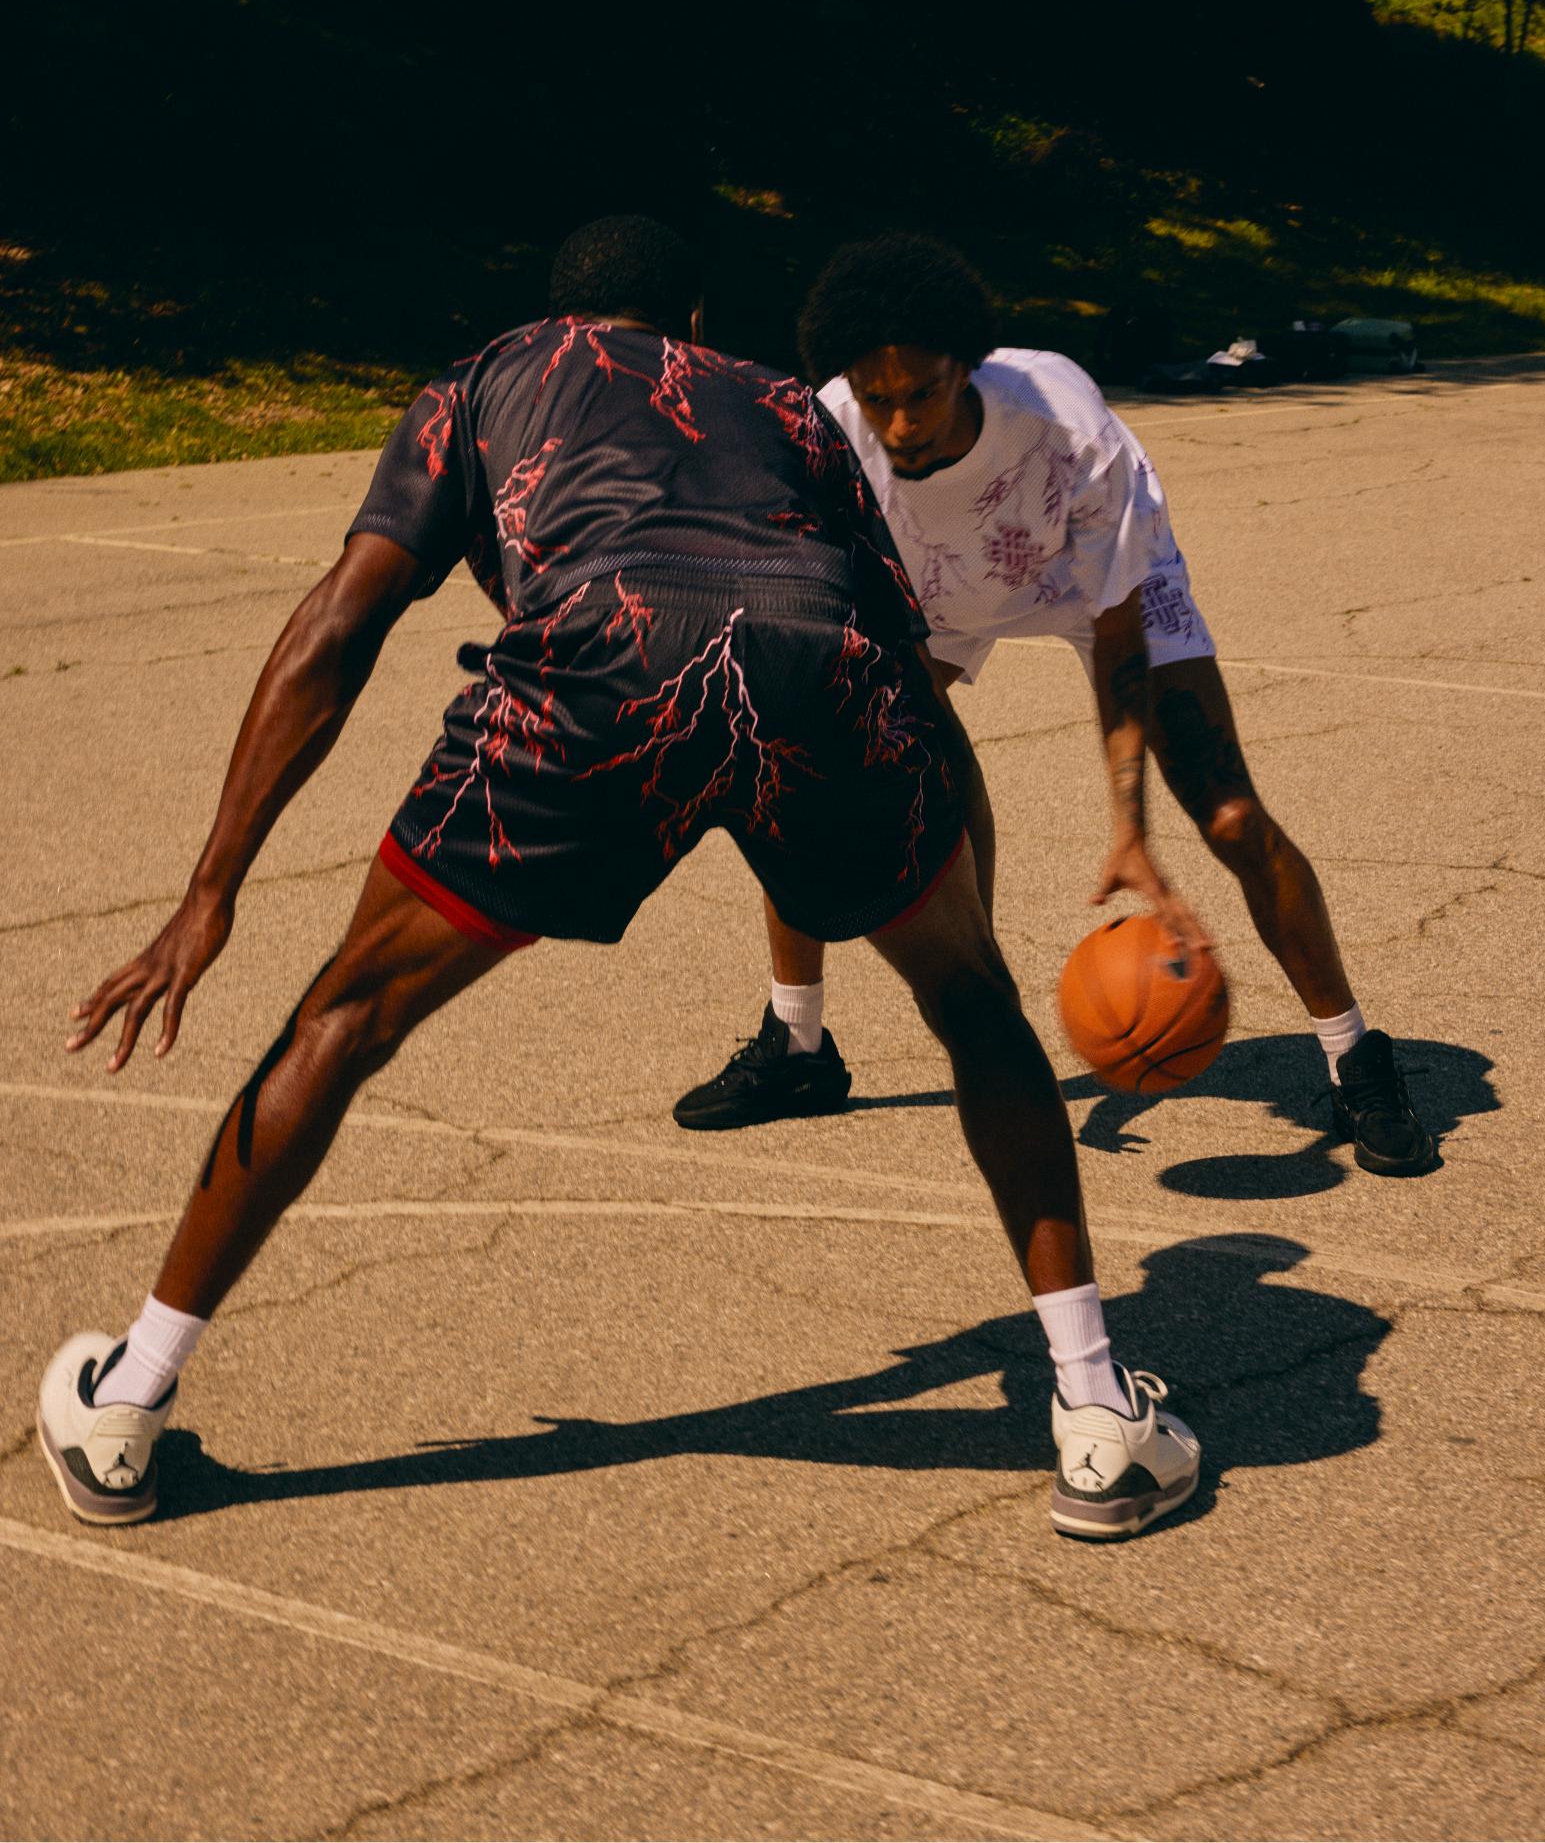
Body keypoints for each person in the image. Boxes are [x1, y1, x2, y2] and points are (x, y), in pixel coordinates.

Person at [38, 216, 1200, 1543]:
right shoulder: (789, 405)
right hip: (813, 671)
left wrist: (213, 889)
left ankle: (126, 1408)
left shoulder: (484, 378)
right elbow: (897, 652)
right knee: (975, 1012)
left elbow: (341, 616)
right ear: (695, 321)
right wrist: (957, 923)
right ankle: (1099, 1421)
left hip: (601, 667)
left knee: (344, 1021)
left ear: (569, 317)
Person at [674, 234, 1434, 1180]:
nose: (900, 421)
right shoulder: (831, 429)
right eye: (880, 399)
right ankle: (799, 1047)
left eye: (923, 394)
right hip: (942, 585)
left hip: (1092, 575)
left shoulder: (1066, 428)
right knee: (807, 769)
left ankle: (1356, 1057)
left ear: (969, 367)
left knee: (1230, 812)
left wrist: (1131, 832)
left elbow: (1113, 637)